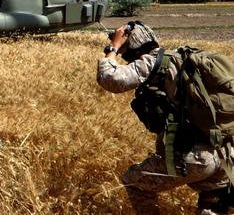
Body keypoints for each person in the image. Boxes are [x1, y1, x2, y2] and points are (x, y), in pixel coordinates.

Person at [96, 21, 230, 214]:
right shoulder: (183, 57)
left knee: (134, 181)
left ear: (131, 47)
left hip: (195, 158)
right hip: (223, 153)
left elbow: (110, 79)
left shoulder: (152, 61)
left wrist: (113, 48)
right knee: (211, 206)